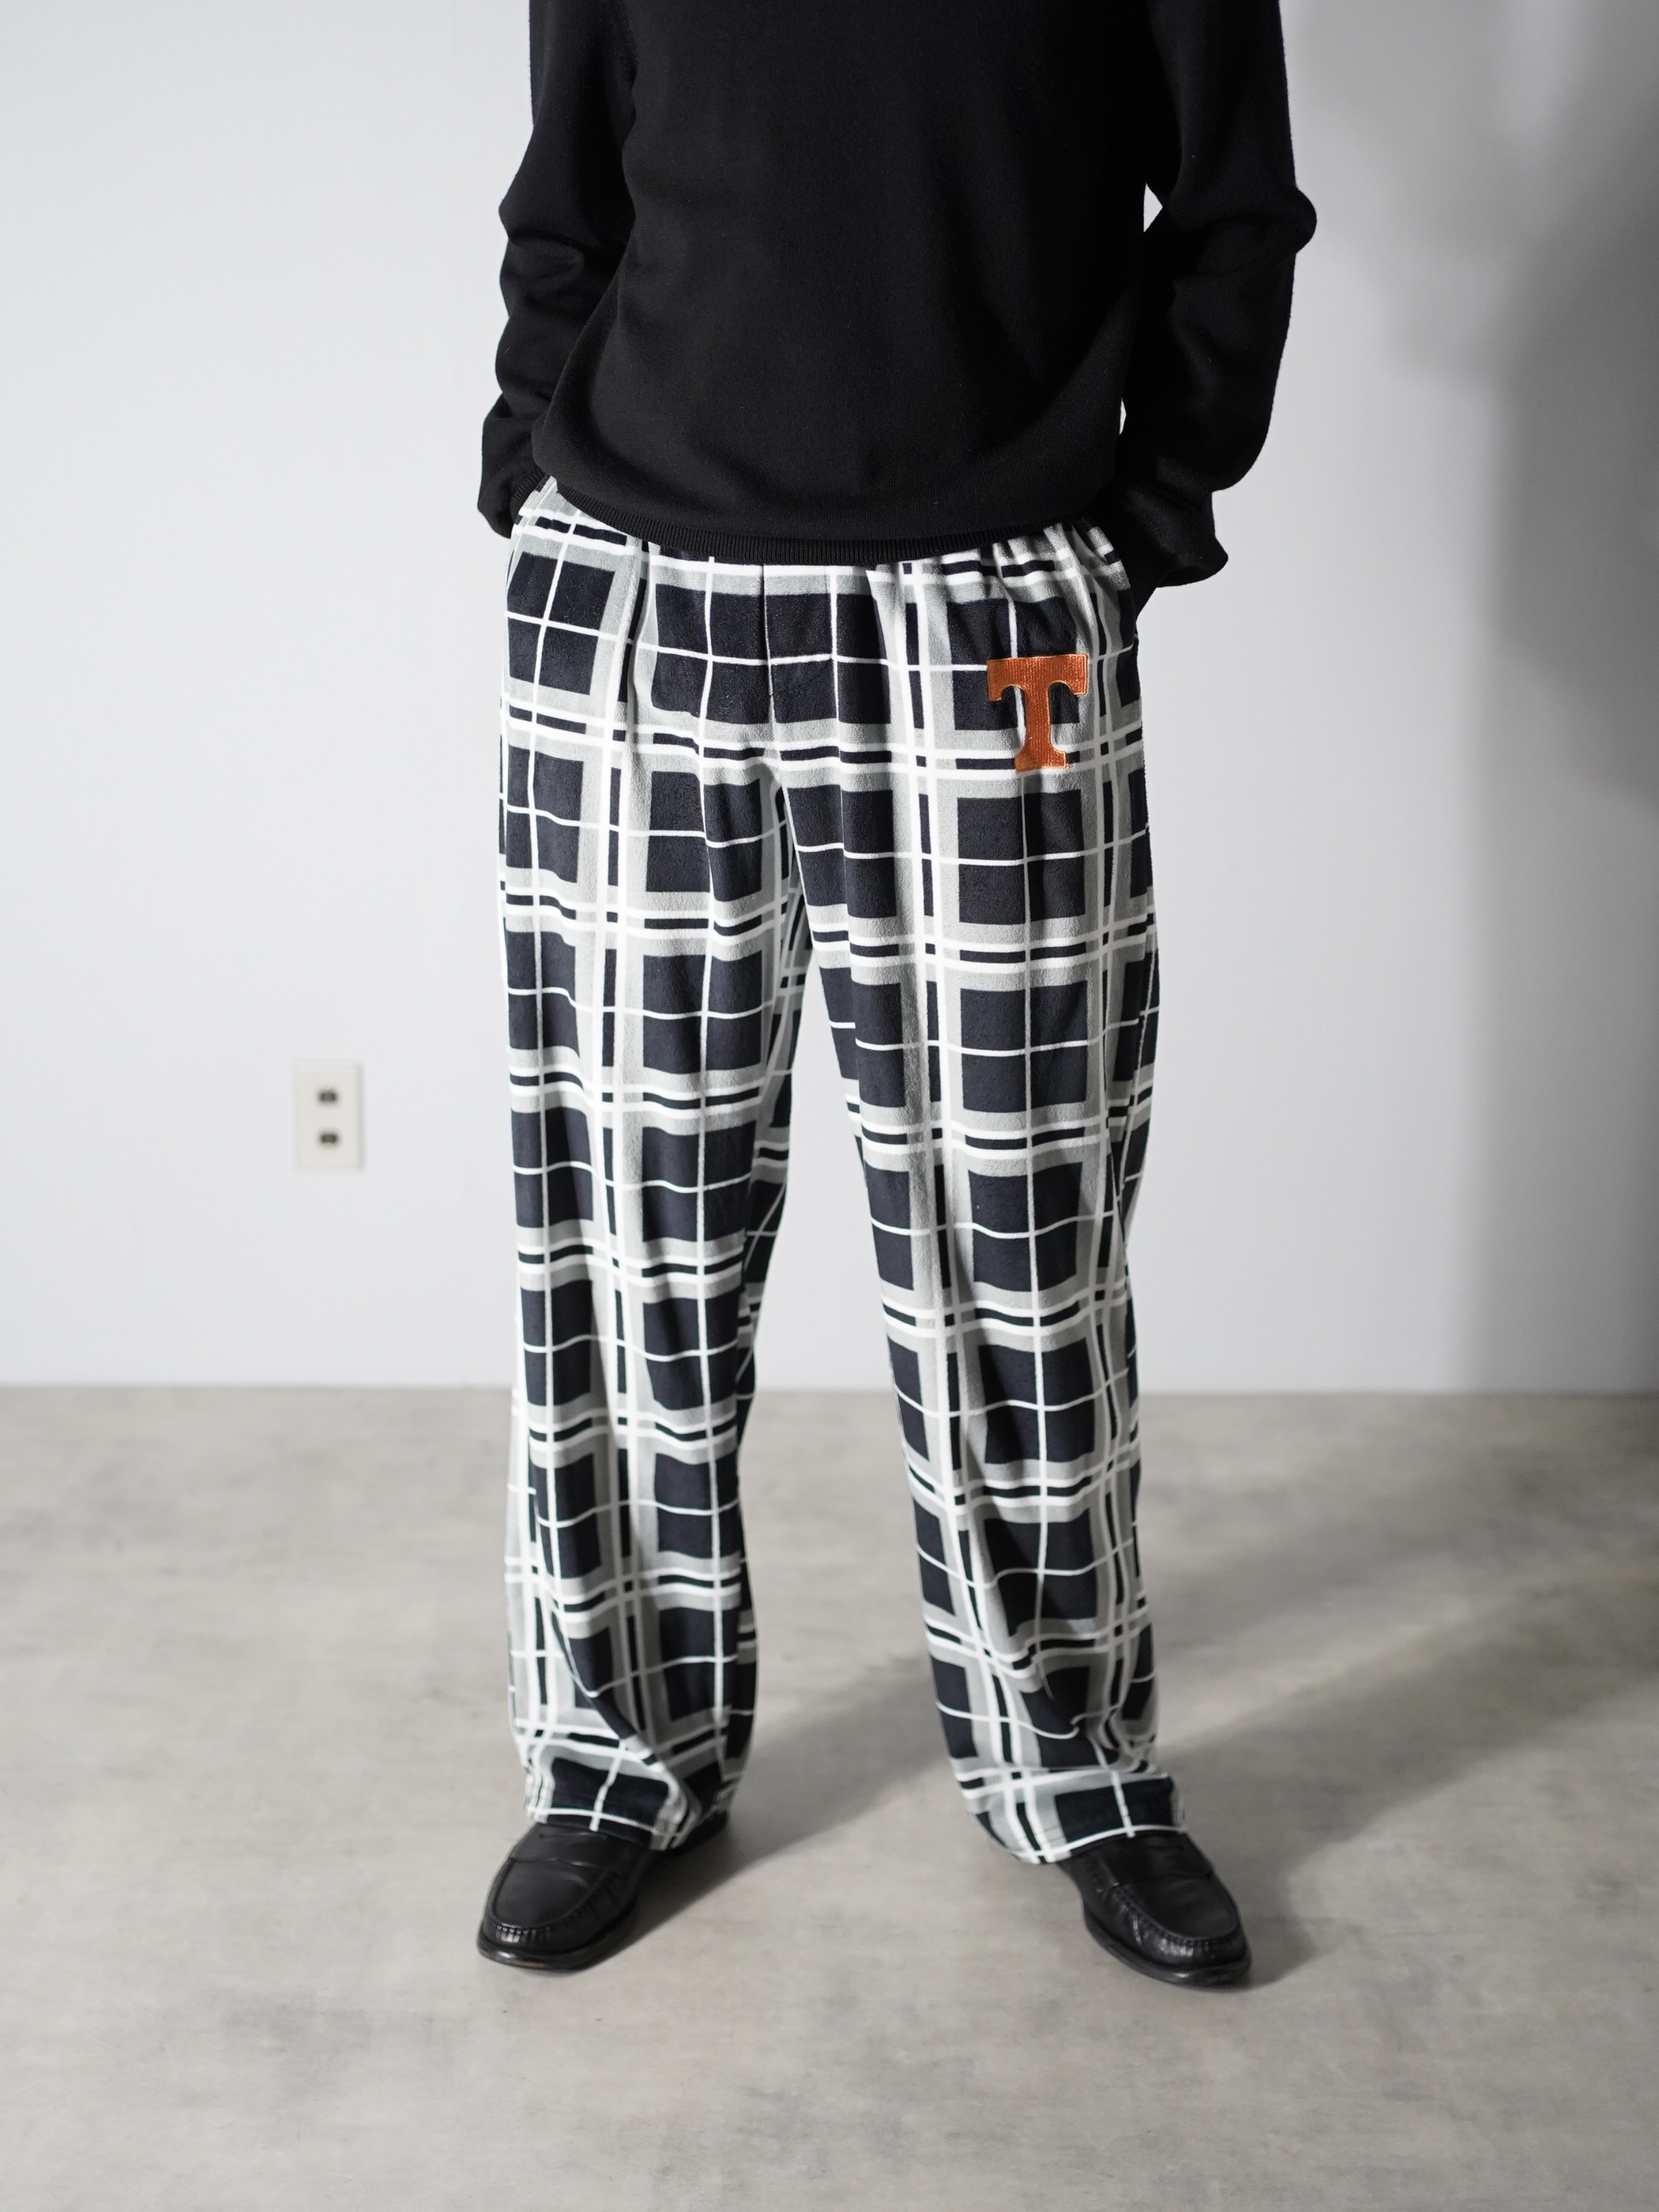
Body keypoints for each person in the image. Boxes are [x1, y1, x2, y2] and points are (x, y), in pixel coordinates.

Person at [473, 0, 1315, 1988]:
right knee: (627, 1229)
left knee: (1023, 1228)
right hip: (639, 600)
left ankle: (1072, 1764)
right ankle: (619, 1755)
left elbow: (1234, 212)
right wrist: (530, 476)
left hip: (991, 607)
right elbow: (567, 205)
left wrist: (1142, 517)